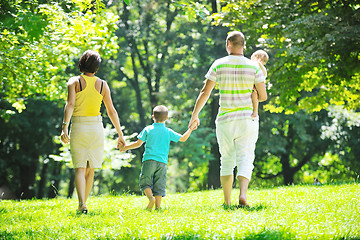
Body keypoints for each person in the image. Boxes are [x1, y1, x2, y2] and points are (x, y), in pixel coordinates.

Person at [188, 31, 267, 207]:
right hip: (247, 119)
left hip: (225, 120)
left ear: (228, 44)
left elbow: (205, 92)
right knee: (246, 158)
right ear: (244, 45)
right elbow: (263, 96)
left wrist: (195, 115)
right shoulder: (253, 67)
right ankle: (243, 195)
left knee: (227, 160)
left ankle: (227, 201)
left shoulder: (218, 64)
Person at [60, 50, 125, 214]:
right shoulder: (103, 84)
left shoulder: (74, 81)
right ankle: (83, 204)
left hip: (79, 126)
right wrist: (120, 134)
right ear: (97, 67)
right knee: (91, 169)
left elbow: (70, 105)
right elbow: (112, 111)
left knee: (80, 168)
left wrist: (64, 128)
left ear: (81, 63)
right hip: (96, 127)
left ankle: (82, 204)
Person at [121, 105, 197, 210]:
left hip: (149, 160)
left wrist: (125, 147)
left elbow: (138, 143)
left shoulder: (148, 129)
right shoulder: (168, 131)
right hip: (162, 163)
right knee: (159, 185)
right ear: (167, 118)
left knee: (145, 182)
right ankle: (157, 208)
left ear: (153, 117)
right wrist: (190, 129)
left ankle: (151, 198)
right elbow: (183, 138)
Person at [250, 50, 269, 118]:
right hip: (254, 84)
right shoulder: (254, 65)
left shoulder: (260, 66)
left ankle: (255, 111)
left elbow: (264, 74)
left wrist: (259, 63)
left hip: (257, 86)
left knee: (254, 96)